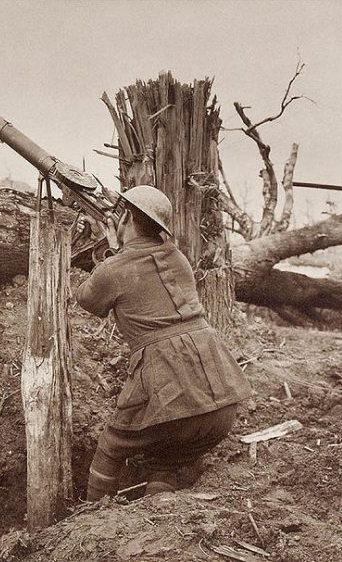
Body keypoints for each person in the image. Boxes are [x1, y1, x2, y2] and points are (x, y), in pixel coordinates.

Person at [76, 186, 252, 500]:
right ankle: (157, 505)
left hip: (171, 386)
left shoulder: (113, 270)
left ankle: (89, 517)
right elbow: (144, 267)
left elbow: (88, 300)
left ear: (126, 216)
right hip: (221, 401)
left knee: (112, 443)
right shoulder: (178, 258)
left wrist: (103, 259)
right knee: (167, 456)